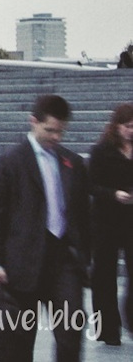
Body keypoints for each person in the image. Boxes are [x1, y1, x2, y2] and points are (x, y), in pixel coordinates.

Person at [0, 94, 90, 362]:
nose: (57, 137)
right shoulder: (10, 161)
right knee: (19, 342)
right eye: (50, 130)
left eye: (61, 131)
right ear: (33, 122)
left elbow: (82, 213)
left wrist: (84, 255)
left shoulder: (72, 162)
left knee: (71, 332)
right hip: (22, 265)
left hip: (63, 262)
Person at [88, 103, 133, 346]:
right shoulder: (101, 150)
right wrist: (113, 194)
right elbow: (91, 185)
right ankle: (108, 330)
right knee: (104, 277)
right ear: (116, 126)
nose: (131, 131)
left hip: (131, 220)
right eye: (128, 127)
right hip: (105, 221)